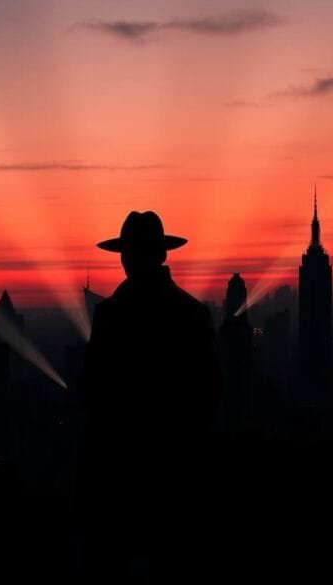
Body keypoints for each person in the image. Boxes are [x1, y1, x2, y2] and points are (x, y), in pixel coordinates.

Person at [76, 211, 220, 582]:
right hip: (181, 477)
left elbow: (94, 394)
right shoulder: (193, 314)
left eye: (130, 252)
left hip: (121, 480)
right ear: (163, 255)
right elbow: (210, 395)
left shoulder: (110, 315)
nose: (128, 260)